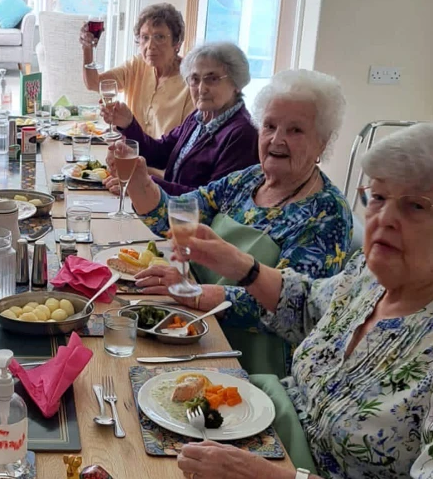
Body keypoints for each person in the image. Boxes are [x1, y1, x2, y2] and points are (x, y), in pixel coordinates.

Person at [174, 124, 433, 479]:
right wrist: (235, 262)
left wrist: (269, 477)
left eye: (415, 206)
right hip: (254, 430)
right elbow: (306, 306)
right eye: (377, 197)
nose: (385, 219)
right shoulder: (371, 273)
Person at [124, 69, 352, 375]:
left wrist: (195, 293)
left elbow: (294, 308)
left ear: (322, 143)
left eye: (295, 130)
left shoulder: (327, 214)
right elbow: (182, 217)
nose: (277, 139)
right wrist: (140, 183)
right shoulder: (249, 179)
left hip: (247, 363)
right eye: (269, 126)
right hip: (190, 327)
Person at [101, 41, 258, 196]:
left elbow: (214, 200)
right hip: (168, 211)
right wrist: (128, 123)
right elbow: (160, 153)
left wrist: (145, 183)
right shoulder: (199, 118)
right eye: (195, 79)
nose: (201, 89)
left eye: (212, 79)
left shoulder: (243, 134)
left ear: (236, 83)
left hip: (192, 219)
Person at [80, 3, 193, 139]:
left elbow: (186, 141)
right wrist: (87, 48)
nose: (150, 46)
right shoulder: (137, 65)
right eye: (144, 37)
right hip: (128, 153)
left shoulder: (191, 81)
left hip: (162, 159)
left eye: (160, 37)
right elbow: (94, 83)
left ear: (177, 43)